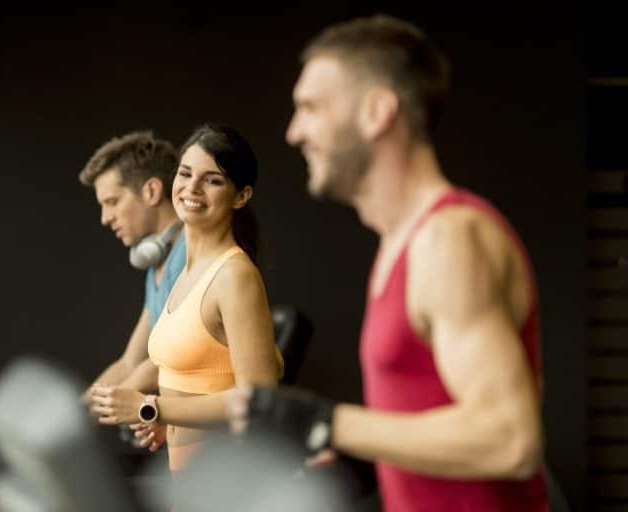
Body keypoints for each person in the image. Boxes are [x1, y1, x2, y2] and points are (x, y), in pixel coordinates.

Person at [230, 15, 549, 511]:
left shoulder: (448, 237)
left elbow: (510, 438)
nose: (294, 133)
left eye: (311, 108)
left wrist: (325, 420)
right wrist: (363, 453)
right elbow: (445, 417)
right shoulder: (400, 244)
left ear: (377, 111)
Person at [90, 124, 283, 474]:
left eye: (212, 179)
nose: (192, 187)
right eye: (185, 173)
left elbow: (259, 399)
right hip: (189, 475)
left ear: (240, 196)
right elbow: (194, 378)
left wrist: (150, 408)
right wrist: (171, 421)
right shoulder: (188, 274)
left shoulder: (234, 276)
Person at [79, 131, 185, 398]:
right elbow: (131, 362)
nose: (105, 218)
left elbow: (164, 365)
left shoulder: (193, 254)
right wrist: (77, 412)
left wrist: (99, 407)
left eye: (112, 202)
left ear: (151, 190)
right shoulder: (157, 264)